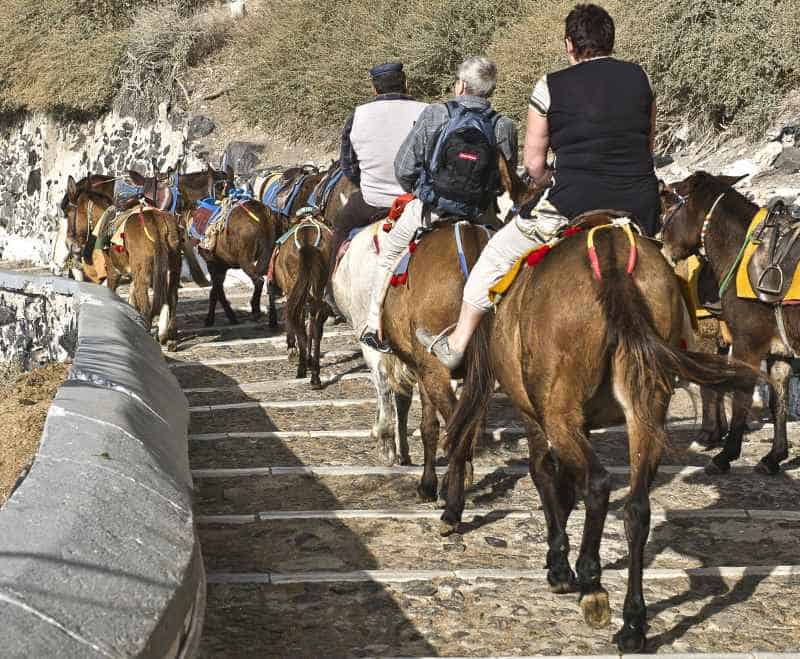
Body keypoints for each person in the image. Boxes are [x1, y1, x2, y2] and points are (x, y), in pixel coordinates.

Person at [416, 3, 660, 369]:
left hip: (573, 202)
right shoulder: (641, 79)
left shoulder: (550, 86)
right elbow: (647, 146)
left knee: (496, 253)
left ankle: (458, 341)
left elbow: (532, 164)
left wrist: (549, 179)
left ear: (569, 44)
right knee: (674, 262)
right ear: (610, 40)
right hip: (640, 204)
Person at [360, 56, 518, 352]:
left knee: (388, 254)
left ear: (460, 86)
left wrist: (423, 192)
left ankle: (373, 327)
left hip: (430, 211)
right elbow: (506, 181)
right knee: (512, 264)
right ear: (490, 91)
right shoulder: (504, 126)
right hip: (481, 214)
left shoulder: (437, 115)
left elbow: (404, 168)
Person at [325, 62, 427, 314]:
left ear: (374, 89)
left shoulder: (357, 115)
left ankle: (329, 290)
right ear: (405, 83)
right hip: (416, 201)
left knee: (339, 226)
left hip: (372, 201)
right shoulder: (427, 111)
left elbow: (348, 166)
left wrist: (370, 183)